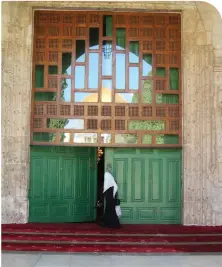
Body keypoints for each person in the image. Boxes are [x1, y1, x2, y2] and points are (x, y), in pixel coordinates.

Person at [101, 164, 121, 229]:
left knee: (109, 208)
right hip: (110, 193)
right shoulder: (107, 174)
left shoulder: (108, 175)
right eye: (109, 168)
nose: (110, 169)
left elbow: (109, 185)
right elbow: (113, 185)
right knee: (110, 208)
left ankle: (109, 223)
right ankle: (111, 223)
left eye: (110, 168)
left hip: (109, 194)